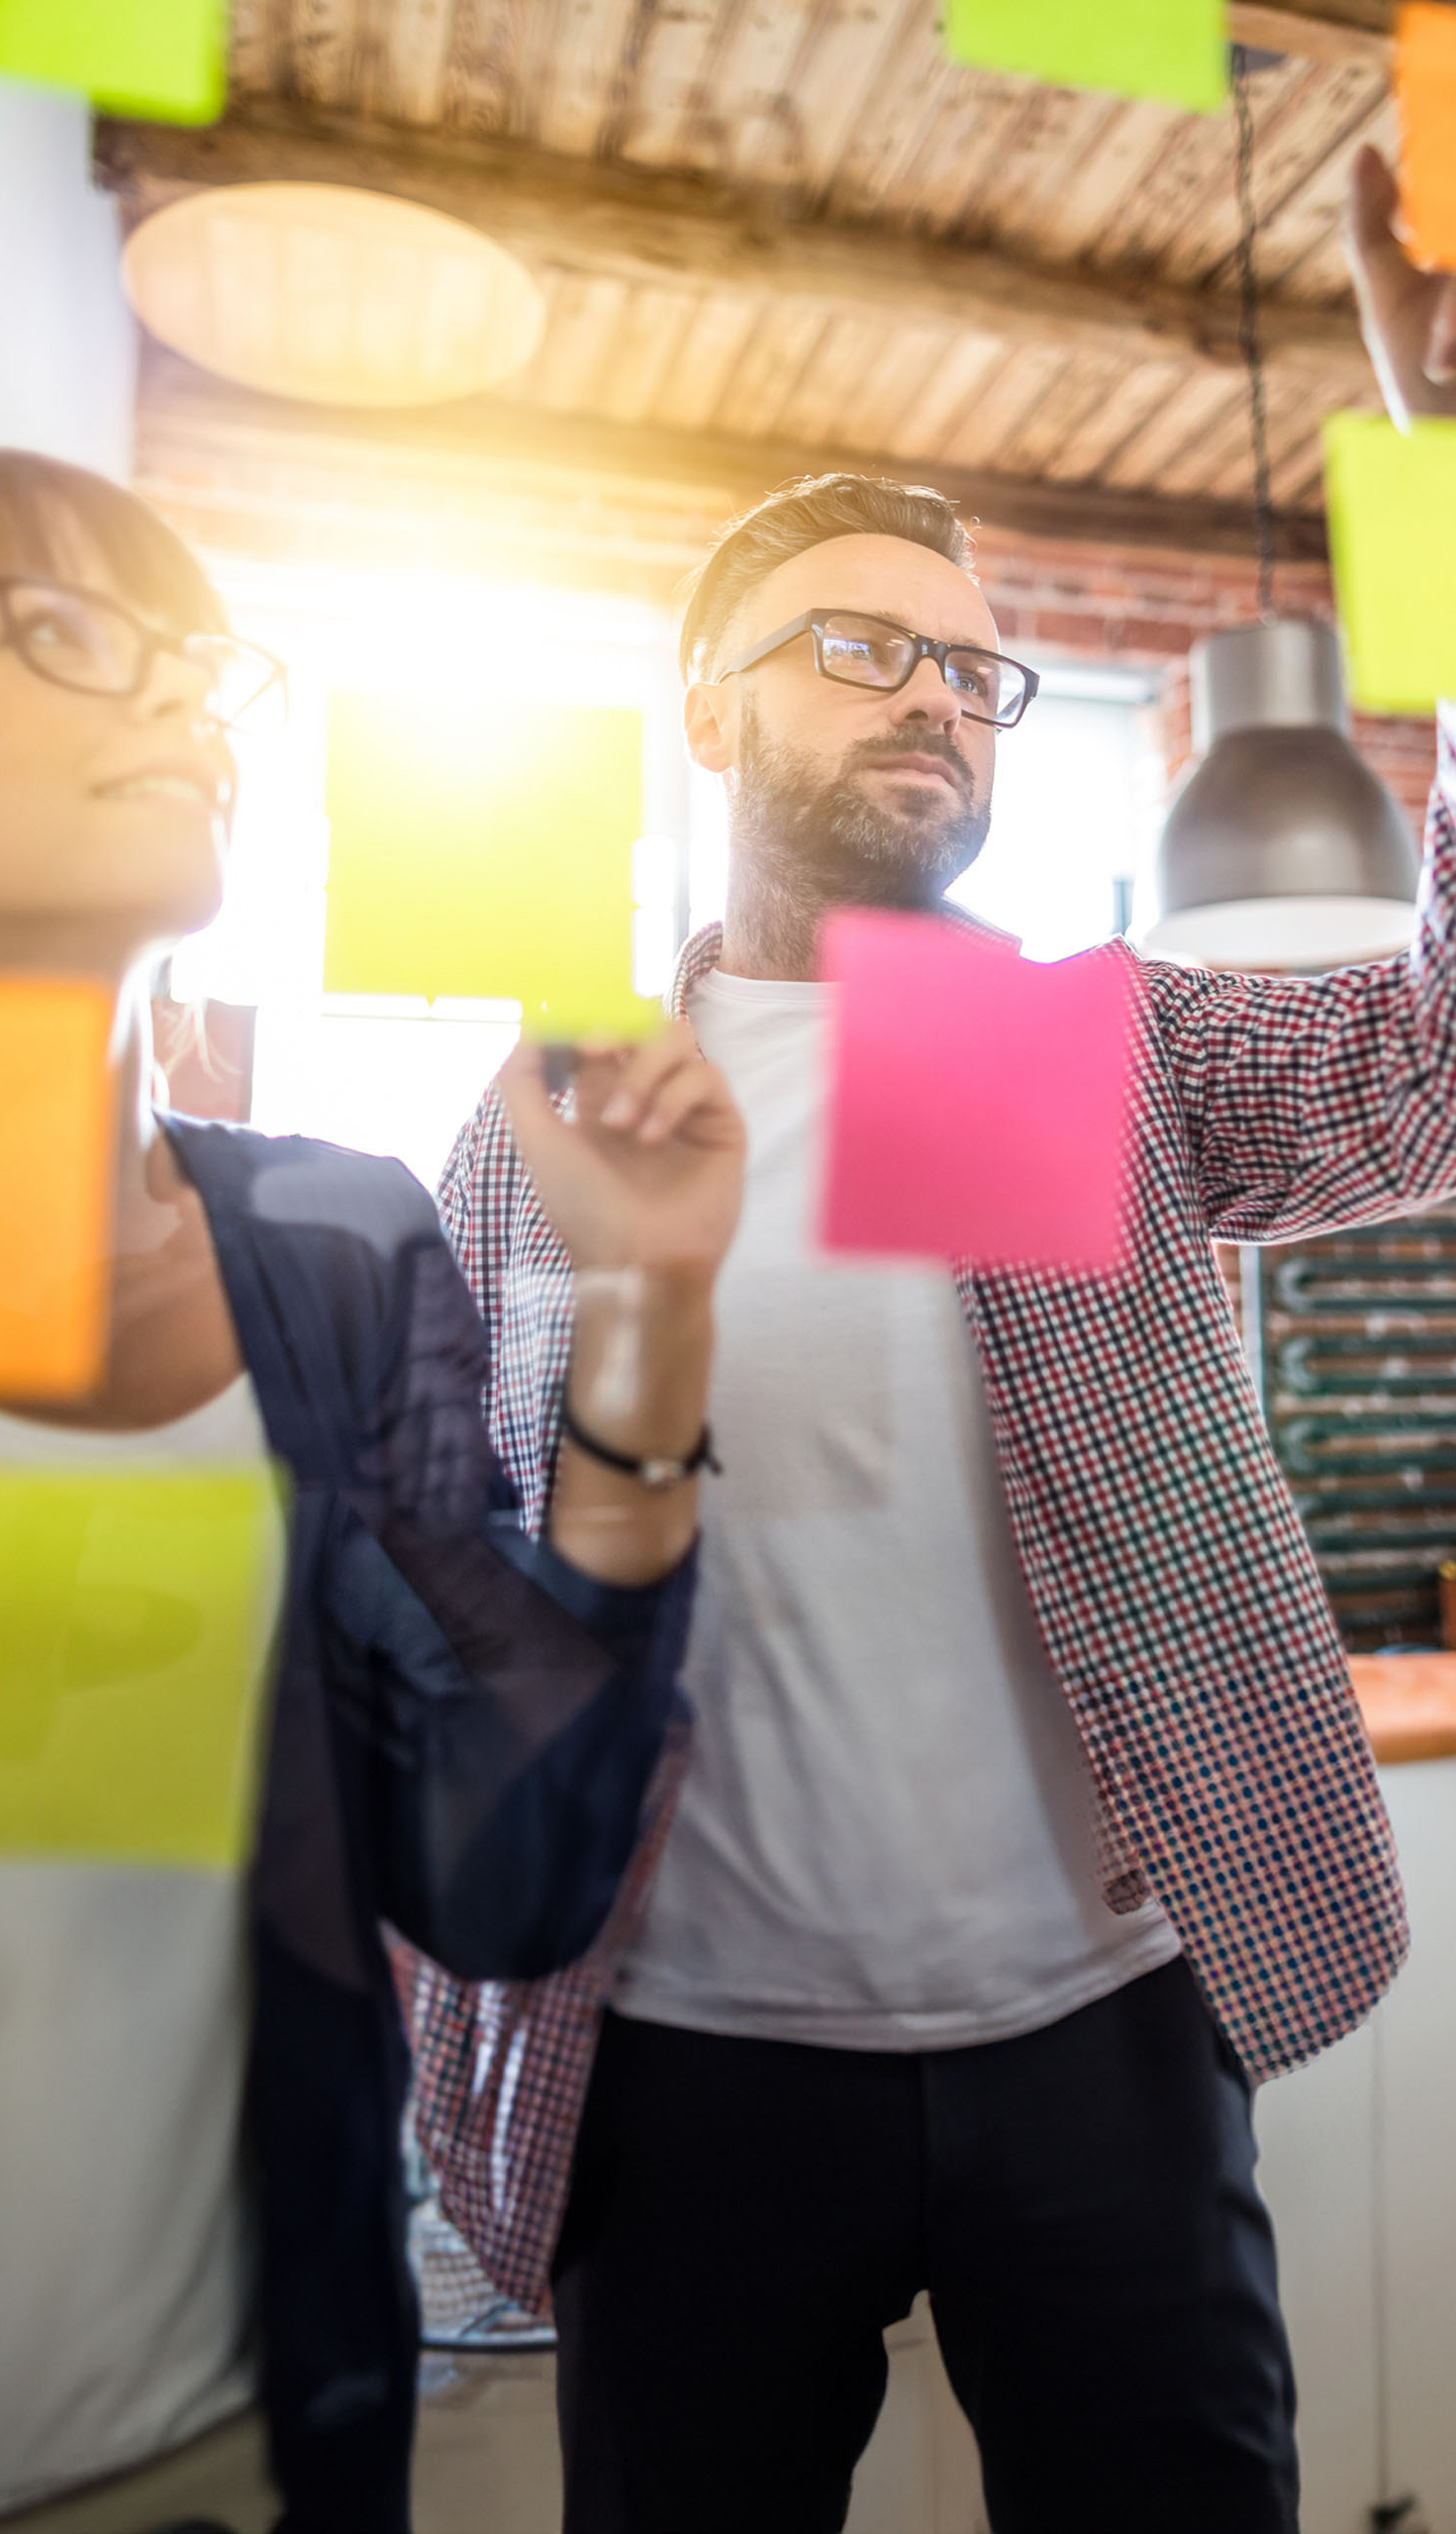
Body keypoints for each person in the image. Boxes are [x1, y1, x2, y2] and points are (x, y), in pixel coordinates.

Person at [403, 145, 1456, 2534]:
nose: (941, 706)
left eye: (974, 670)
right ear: (706, 705)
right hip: (675, 2061)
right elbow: (467, 1617)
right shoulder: (548, 1113)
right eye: (858, 647)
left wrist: (1448, 465)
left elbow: (1440, 1055)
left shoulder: (1062, 1041)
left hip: (1098, 2029)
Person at [0, 448, 744, 2534]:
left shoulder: (329, 1246)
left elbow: (504, 1874)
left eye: (204, 663)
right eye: (57, 630)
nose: (178, 705)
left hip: (233, 2452)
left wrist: (648, 1292)